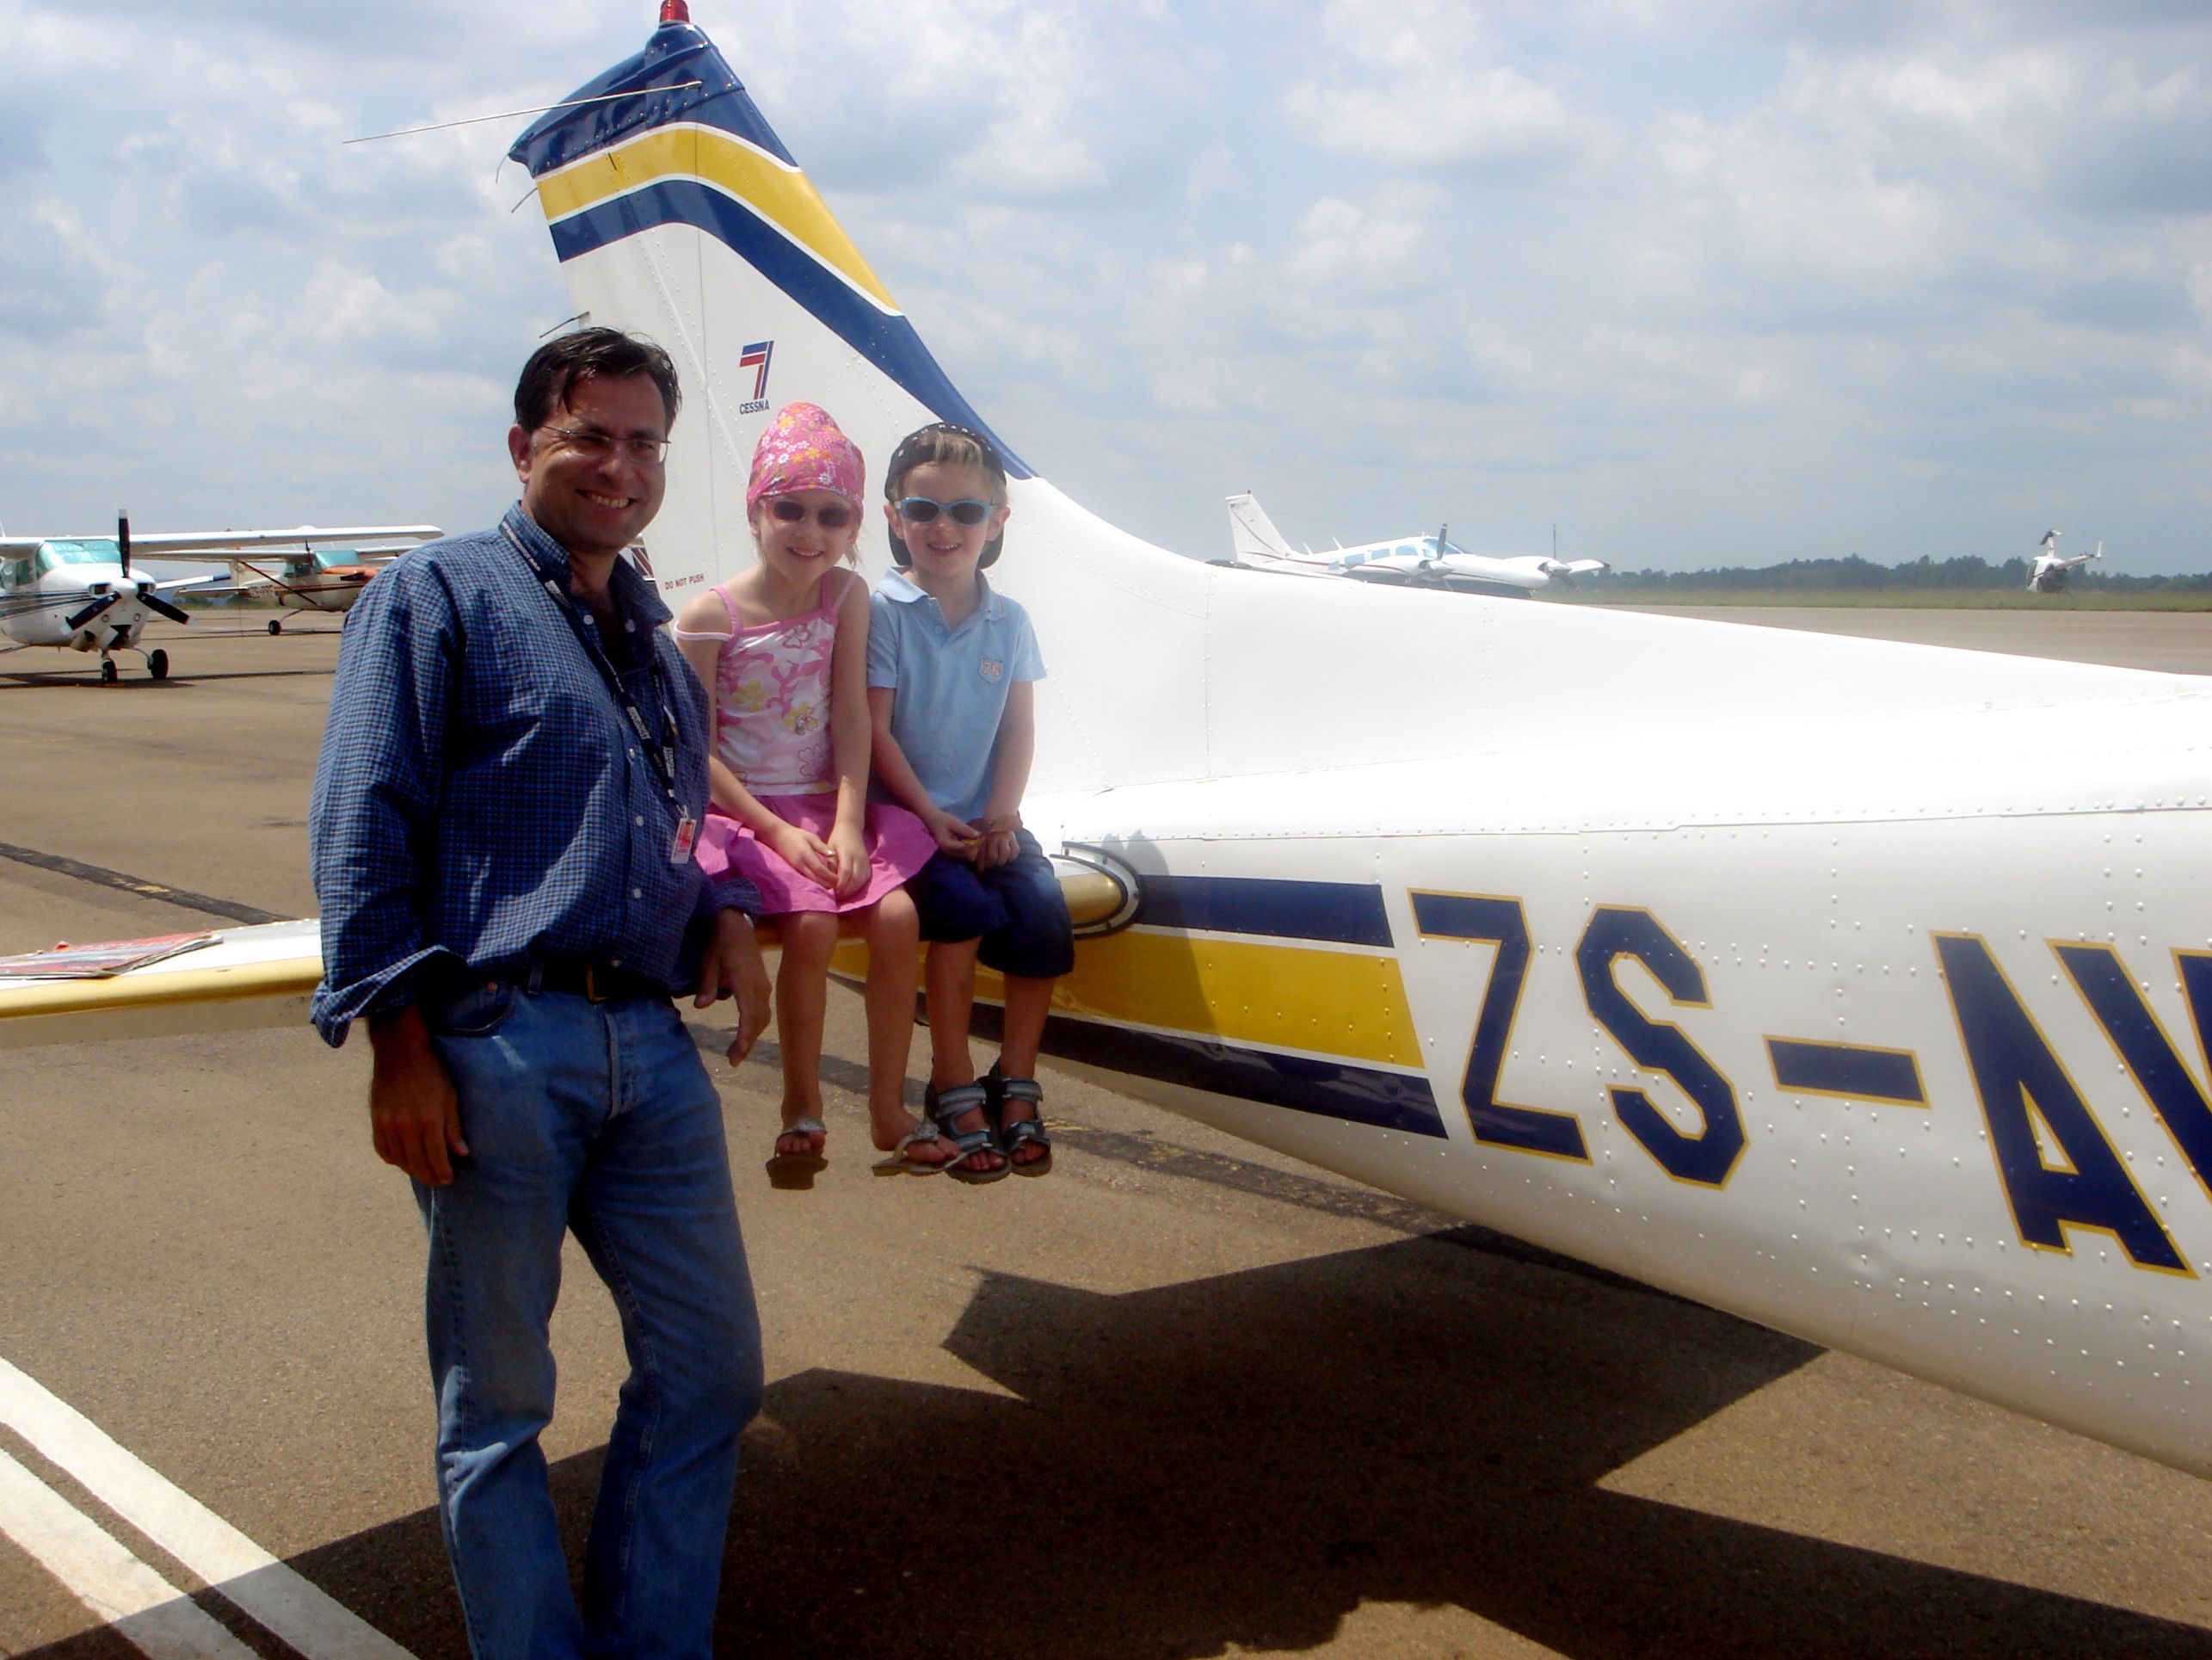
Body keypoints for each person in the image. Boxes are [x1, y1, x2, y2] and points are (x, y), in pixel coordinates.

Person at [308, 328, 773, 1660]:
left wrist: (730, 906)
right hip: (495, 1047)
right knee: (499, 1403)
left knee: (711, 1371)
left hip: (645, 1046)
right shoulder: (436, 595)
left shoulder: (645, 627)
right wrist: (397, 1043)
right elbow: (362, 825)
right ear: (524, 447)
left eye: (641, 443)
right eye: (589, 435)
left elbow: (678, 813)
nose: (617, 466)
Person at [673, 403, 949, 1185]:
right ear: (754, 509)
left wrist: (850, 821)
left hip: (825, 803)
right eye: (788, 508)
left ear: (856, 524)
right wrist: (774, 831)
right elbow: (698, 748)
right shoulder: (708, 615)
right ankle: (801, 1101)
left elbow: (851, 713)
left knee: (897, 915)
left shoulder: (845, 596)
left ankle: (889, 1106)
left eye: (833, 516)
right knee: (815, 928)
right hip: (744, 813)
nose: (809, 531)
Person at [866, 422, 1075, 1182]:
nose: (944, 528)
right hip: (905, 818)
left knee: (1042, 909)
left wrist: (1004, 814)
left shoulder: (1008, 620)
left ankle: (1013, 1079)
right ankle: (950, 1076)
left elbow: (1017, 725)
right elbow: (876, 732)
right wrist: (928, 815)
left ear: (996, 523)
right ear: (894, 517)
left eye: (966, 512)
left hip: (982, 815)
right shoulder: (882, 611)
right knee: (957, 914)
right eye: (923, 510)